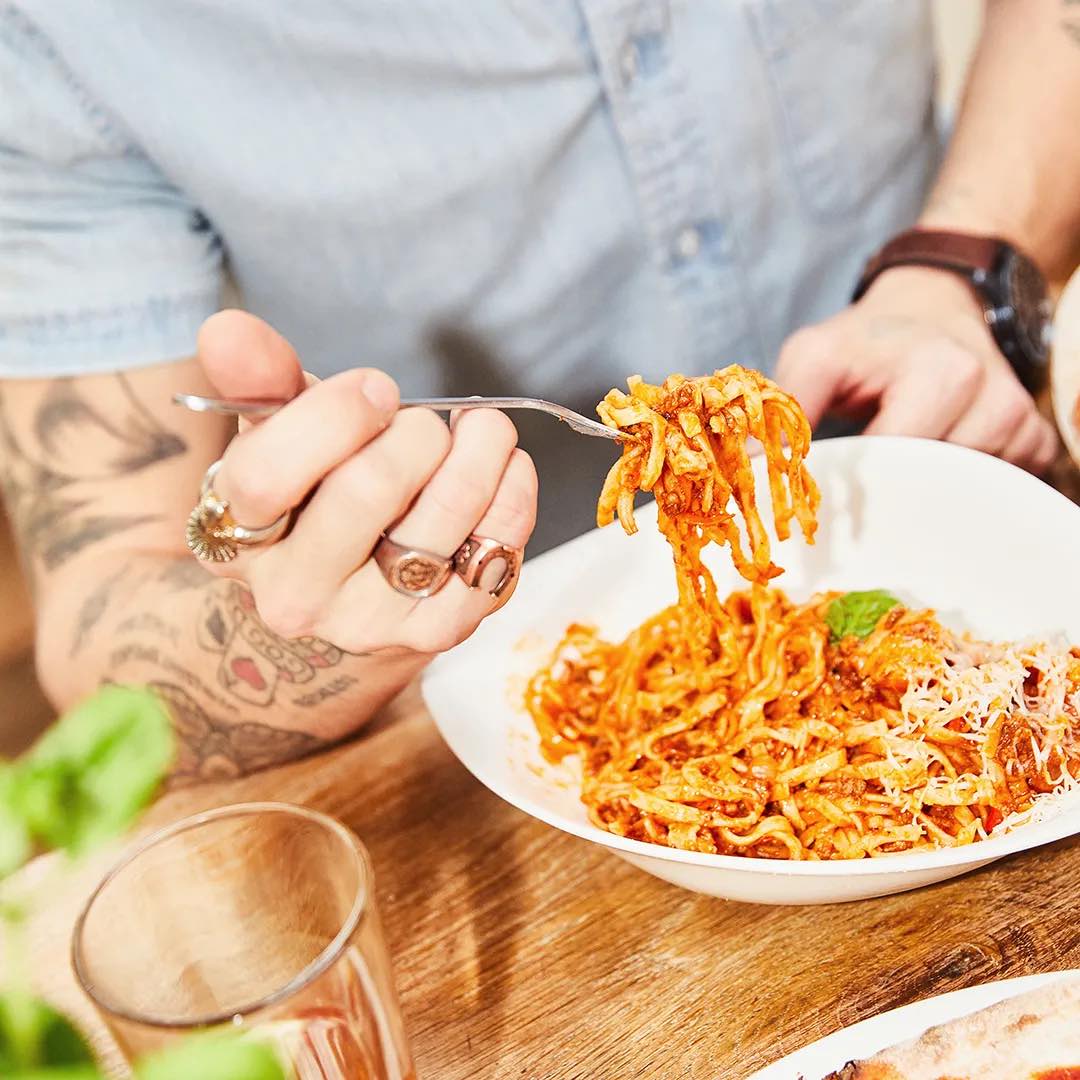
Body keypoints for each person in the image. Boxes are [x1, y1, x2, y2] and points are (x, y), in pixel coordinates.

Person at [1, 1, 1078, 782]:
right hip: (494, 695)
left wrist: (963, 264)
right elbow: (103, 625)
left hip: (990, 460)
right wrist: (307, 628)